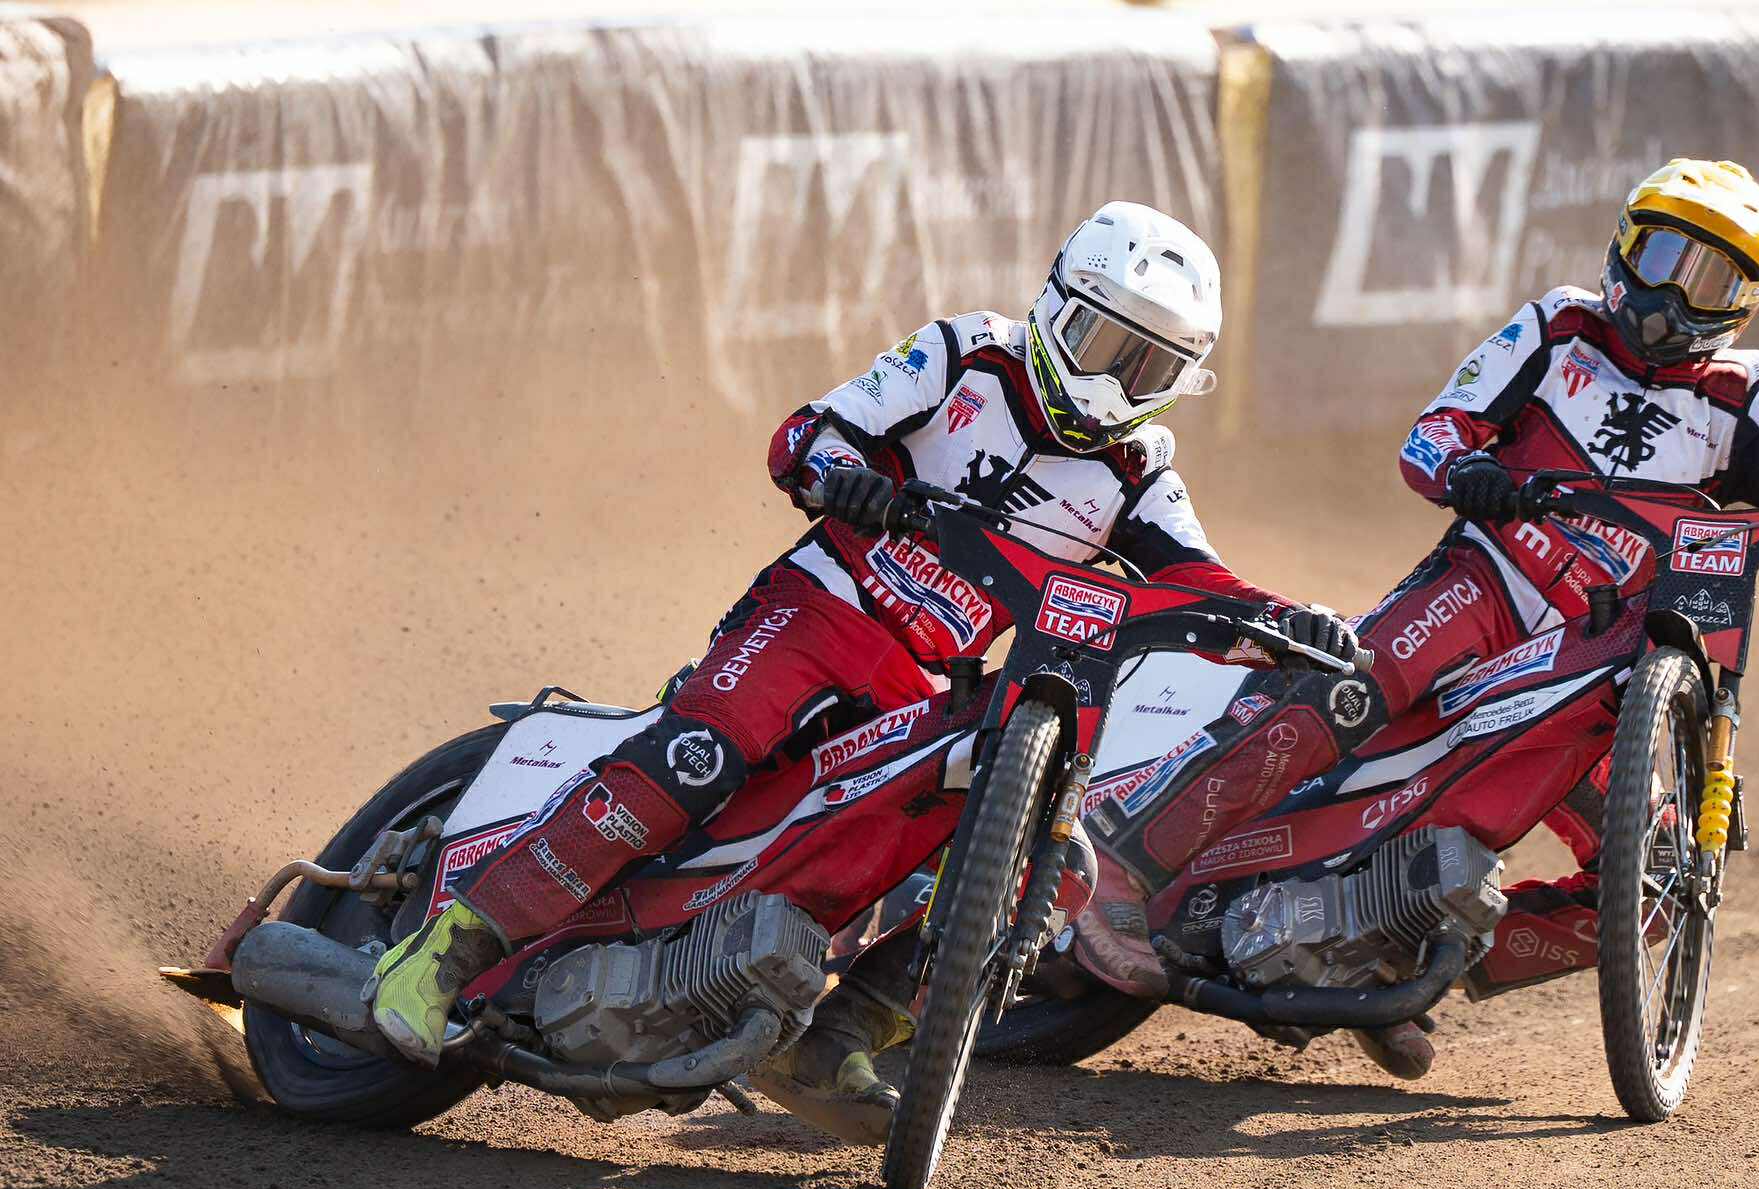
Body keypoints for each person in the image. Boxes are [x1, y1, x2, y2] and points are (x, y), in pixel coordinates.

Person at [364, 201, 1356, 1141]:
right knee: (700, 757)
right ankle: (444, 952)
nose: (1114, 384)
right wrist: (843, 478)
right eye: (1103, 345)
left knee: (1030, 872)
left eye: (1149, 368)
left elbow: (1202, 581)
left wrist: (1290, 624)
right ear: (1055, 306)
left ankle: (830, 1040)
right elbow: (810, 433)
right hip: (821, 609)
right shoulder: (964, 353)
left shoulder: (1138, 471)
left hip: (926, 681)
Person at [1077, 159, 1759, 1077]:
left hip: (1597, 658)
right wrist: (1469, 472)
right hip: (1485, 585)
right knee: (1346, 689)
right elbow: (1434, 434)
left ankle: (1390, 948)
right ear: (1623, 248)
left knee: (1660, 877)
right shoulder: (1558, 329)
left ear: (1745, 303)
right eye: (1663, 258)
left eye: (1709, 278)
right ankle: (1124, 866)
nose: (1674, 294)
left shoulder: (1740, 396)